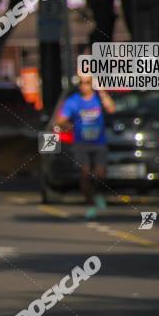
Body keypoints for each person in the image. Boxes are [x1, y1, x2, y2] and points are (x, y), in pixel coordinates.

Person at [56, 73, 116, 219]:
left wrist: (102, 91)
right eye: (82, 83)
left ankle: (98, 193)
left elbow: (112, 109)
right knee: (85, 173)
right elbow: (60, 120)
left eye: (87, 83)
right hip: (81, 143)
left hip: (99, 142)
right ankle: (90, 202)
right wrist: (68, 125)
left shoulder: (98, 99)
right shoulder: (73, 101)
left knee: (100, 173)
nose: (84, 86)